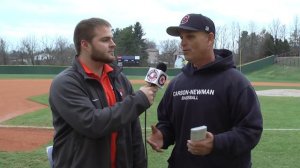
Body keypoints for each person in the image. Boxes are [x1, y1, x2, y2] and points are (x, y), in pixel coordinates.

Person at [147, 13, 263, 168]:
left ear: (210, 38)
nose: (183, 43)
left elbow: (251, 131)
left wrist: (216, 143)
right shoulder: (176, 84)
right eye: (181, 37)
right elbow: (167, 123)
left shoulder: (236, 83)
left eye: (190, 36)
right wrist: (163, 135)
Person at [49, 18, 158, 168]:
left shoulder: (119, 78)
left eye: (112, 39)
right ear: (85, 44)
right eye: (105, 40)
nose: (113, 44)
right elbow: (93, 124)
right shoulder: (65, 83)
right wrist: (138, 100)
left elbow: (133, 132)